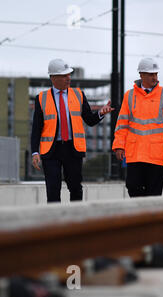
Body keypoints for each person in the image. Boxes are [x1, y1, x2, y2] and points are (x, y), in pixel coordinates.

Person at [31, 58, 114, 202]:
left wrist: (101, 113)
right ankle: (55, 223)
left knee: (75, 188)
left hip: (73, 149)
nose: (68, 78)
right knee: (52, 190)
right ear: (53, 77)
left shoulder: (79, 94)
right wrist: (34, 152)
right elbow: (36, 128)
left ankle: (76, 221)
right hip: (51, 151)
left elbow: (89, 120)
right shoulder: (41, 98)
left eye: (69, 74)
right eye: (64, 75)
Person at [112, 57, 163, 197]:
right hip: (135, 154)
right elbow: (122, 124)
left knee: (154, 194)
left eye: (156, 74)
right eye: (151, 74)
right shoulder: (130, 96)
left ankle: (150, 218)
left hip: (157, 154)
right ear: (141, 75)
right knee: (132, 187)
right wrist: (119, 146)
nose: (154, 77)